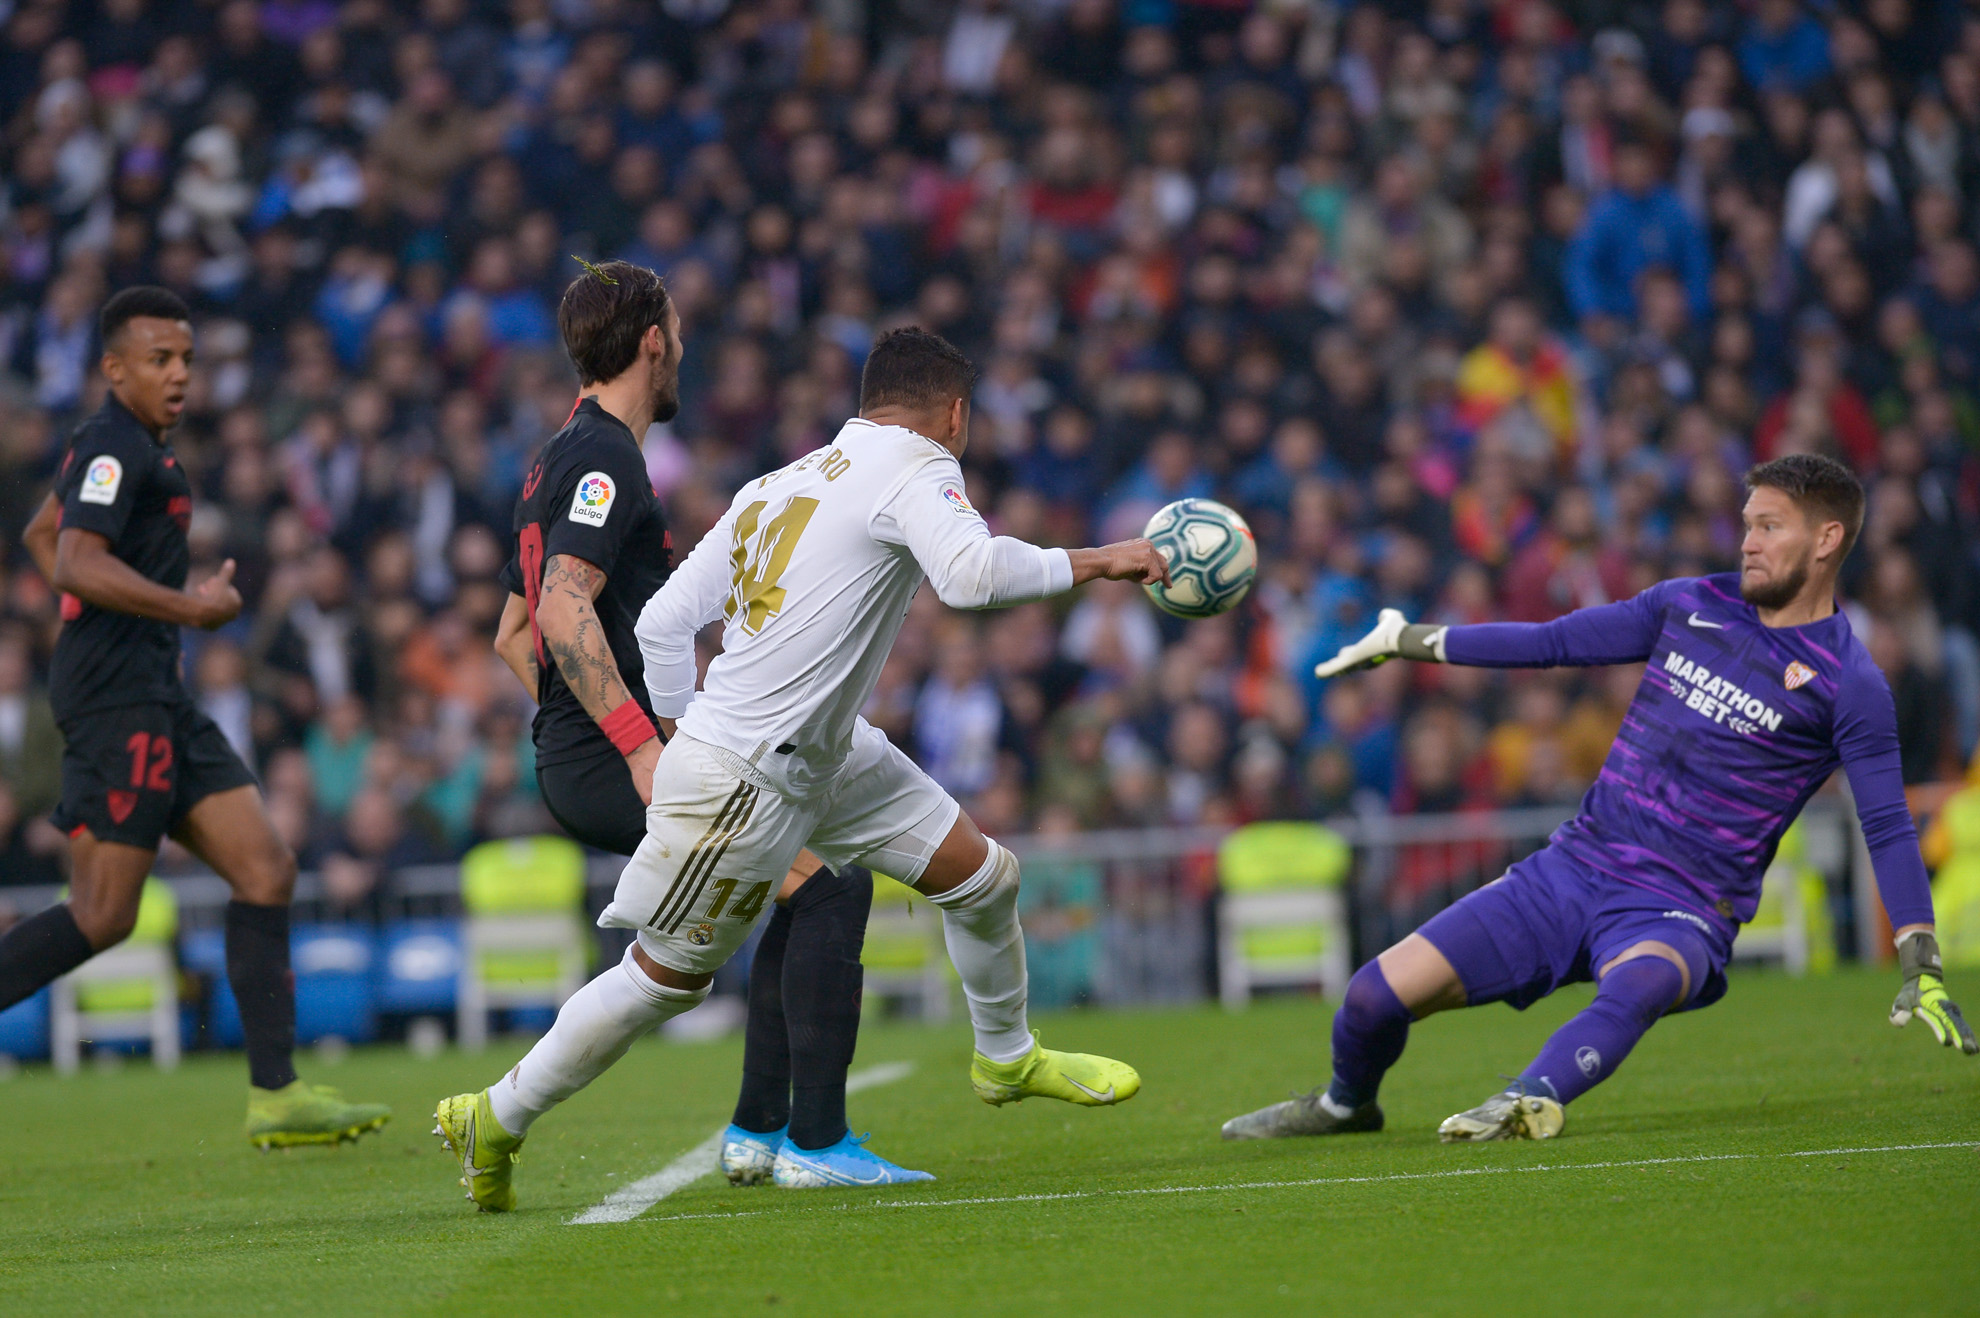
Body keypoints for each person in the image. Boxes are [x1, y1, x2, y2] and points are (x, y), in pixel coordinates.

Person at [436, 327, 1168, 1211]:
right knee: (663, 981)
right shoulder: (920, 465)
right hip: (746, 775)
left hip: (820, 746)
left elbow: (664, 623)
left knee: (981, 876)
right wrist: (1103, 560)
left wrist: (671, 723)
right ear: (956, 414)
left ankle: (1006, 1058)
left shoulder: (777, 482)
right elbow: (971, 577)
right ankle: (497, 1113)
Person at [1224, 453, 1975, 1145]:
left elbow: (1883, 820)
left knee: (1644, 980)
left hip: (1680, 906)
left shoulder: (1852, 682)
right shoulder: (1690, 605)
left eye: (1768, 526)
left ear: (1826, 539)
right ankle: (1345, 1106)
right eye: (1746, 524)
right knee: (1369, 1000)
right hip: (1570, 872)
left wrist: (1921, 958)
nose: (1746, 542)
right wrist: (1412, 639)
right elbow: (1551, 642)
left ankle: (1529, 1096)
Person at [486, 259, 901, 1189]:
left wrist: (571, 728)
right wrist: (634, 749)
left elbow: (511, 634)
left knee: (800, 893)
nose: (683, 347)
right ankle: (811, 1142)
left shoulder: (556, 455)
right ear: (650, 341)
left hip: (591, 757)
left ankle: (762, 1132)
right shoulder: (603, 459)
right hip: (622, 760)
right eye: (676, 330)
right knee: (830, 887)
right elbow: (557, 614)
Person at [3, 287, 389, 1148]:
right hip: (117, 702)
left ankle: (277, 1095)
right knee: (105, 915)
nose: (179, 375)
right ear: (114, 367)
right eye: (158, 360)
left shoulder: (133, 446)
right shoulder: (112, 444)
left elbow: (40, 532)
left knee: (266, 870)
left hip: (159, 697)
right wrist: (188, 610)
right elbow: (71, 557)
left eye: (185, 359)